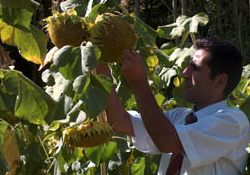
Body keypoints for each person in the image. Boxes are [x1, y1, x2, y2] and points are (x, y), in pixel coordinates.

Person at [96, 37, 250, 175]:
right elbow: (120, 122)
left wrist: (139, 82)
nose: (184, 73)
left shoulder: (233, 122)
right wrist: (102, 69)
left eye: (195, 68)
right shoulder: (180, 117)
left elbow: (166, 141)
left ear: (220, 81)